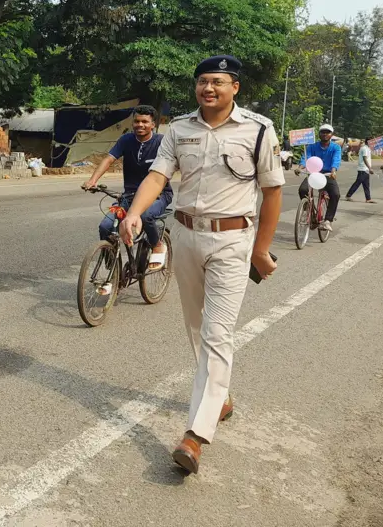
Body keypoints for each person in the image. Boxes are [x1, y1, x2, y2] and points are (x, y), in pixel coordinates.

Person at [120, 55, 283, 475]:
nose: (208, 88)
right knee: (195, 324)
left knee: (216, 331)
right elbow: (157, 177)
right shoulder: (178, 130)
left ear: (235, 88)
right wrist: (135, 213)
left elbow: (273, 191)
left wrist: (261, 249)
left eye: (217, 82)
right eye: (202, 82)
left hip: (233, 240)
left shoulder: (259, 129)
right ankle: (220, 397)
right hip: (187, 236)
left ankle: (195, 434)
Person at [83, 105, 173, 269]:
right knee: (105, 227)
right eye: (137, 121)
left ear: (153, 124)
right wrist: (92, 180)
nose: (140, 125)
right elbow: (109, 159)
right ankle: (113, 267)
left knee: (145, 216)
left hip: (159, 195)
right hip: (129, 196)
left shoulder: (161, 142)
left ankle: (157, 245)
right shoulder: (126, 140)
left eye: (145, 121)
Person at [298, 124, 342, 231]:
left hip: (328, 174)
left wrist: (333, 171)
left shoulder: (335, 147)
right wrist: (300, 167)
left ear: (331, 135)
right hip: (313, 172)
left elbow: (336, 160)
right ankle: (308, 209)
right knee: (303, 189)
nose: (325, 134)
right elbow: (306, 157)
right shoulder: (312, 146)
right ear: (319, 134)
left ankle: (328, 220)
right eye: (323, 132)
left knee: (335, 194)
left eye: (328, 132)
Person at [345, 137, 374, 203]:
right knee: (357, 183)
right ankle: (348, 196)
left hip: (365, 169)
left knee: (366, 184)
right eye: (371, 141)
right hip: (363, 169)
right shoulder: (365, 149)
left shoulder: (367, 149)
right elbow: (364, 158)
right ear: (368, 142)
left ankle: (368, 198)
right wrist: (370, 168)